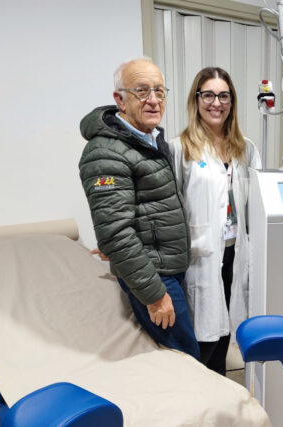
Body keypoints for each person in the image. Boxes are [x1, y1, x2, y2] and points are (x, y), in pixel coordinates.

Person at [78, 58, 199, 360]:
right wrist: (155, 296)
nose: (154, 100)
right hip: (155, 276)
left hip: (167, 267)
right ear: (120, 99)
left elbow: (142, 210)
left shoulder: (150, 140)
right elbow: (116, 233)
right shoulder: (105, 152)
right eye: (142, 91)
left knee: (178, 356)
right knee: (183, 360)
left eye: (159, 91)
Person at [169, 67, 261, 375]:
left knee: (225, 336)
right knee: (200, 343)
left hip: (235, 253)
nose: (216, 103)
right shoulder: (180, 148)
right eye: (208, 95)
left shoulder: (246, 149)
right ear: (196, 100)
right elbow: (169, 207)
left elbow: (256, 205)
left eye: (224, 96)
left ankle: (219, 394)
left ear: (232, 101)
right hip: (200, 255)